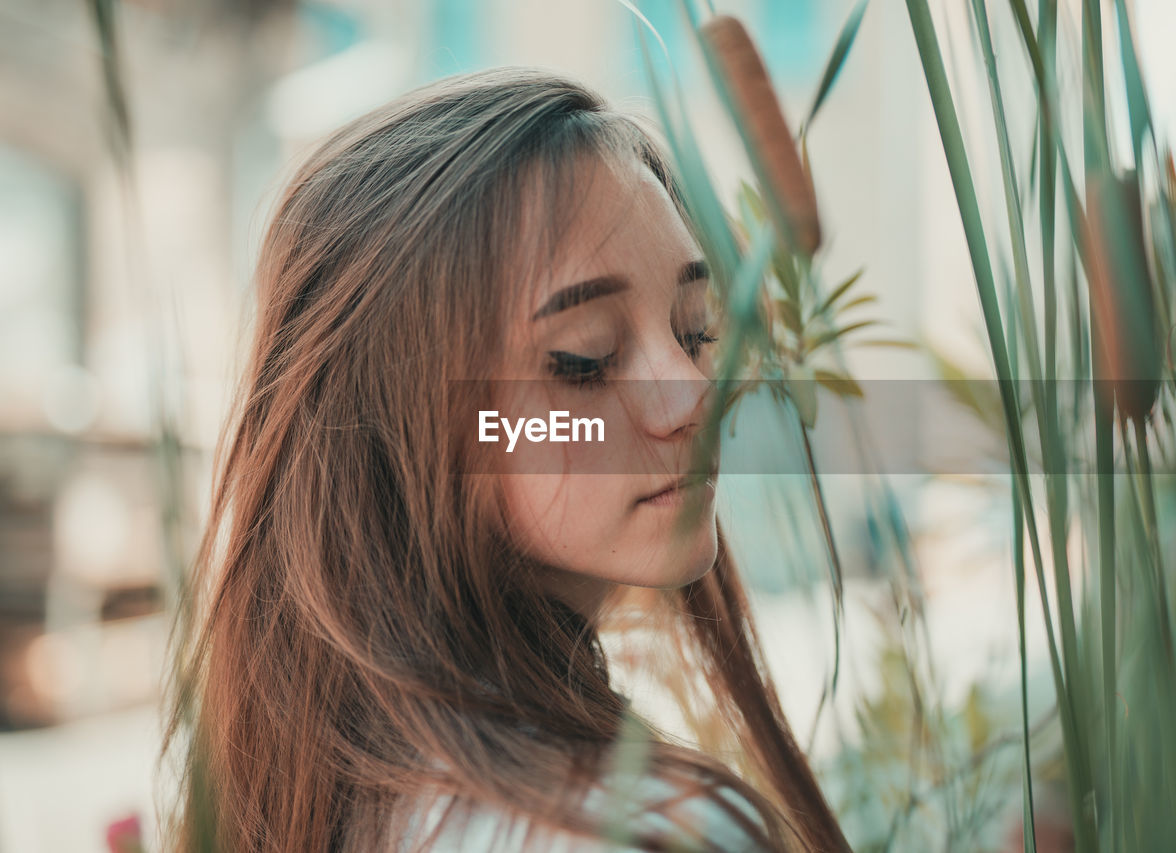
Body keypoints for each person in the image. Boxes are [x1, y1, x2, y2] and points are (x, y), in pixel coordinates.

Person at [163, 67, 850, 852]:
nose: (695, 393)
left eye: (696, 331)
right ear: (401, 423)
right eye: (583, 359)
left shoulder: (321, 792)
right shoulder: (645, 827)